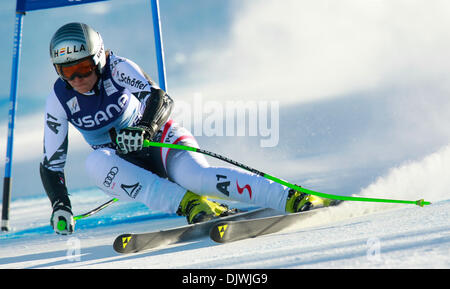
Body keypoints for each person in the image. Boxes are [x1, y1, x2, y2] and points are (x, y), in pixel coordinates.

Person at [41, 22, 334, 235]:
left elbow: (159, 98)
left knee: (197, 177)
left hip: (161, 141)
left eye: (82, 68)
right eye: (66, 71)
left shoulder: (117, 68)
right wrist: (60, 206)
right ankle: (191, 205)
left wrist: (144, 128)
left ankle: (293, 197)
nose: (77, 78)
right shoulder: (59, 97)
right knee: (95, 162)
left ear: (99, 58)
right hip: (126, 165)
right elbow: (52, 165)